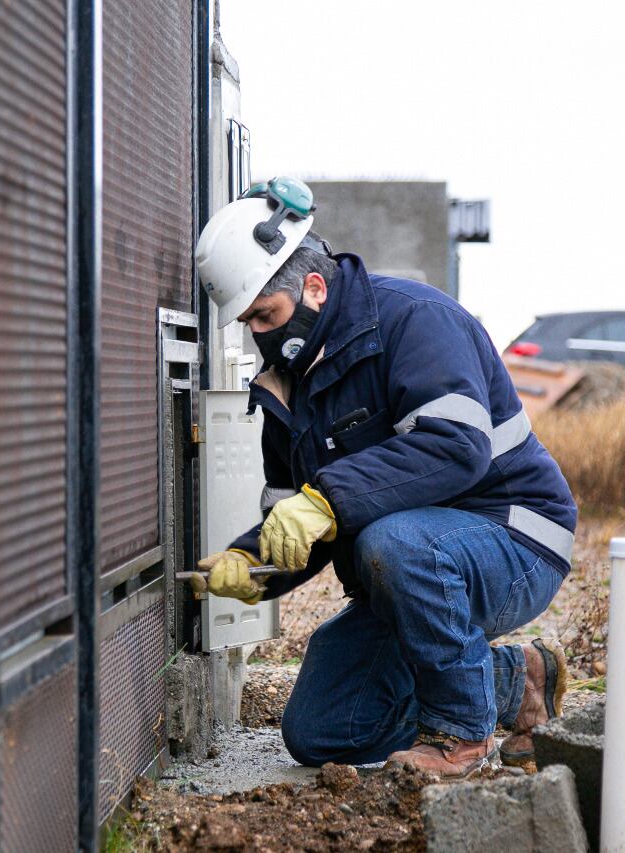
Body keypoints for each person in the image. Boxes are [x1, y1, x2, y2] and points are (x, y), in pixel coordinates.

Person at [191, 178, 577, 777]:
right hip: (409, 570)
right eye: (248, 322)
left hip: (514, 537)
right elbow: (302, 523)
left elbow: (456, 448)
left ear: (314, 287)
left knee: (391, 541)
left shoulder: (415, 320)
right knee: (323, 731)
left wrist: (327, 500)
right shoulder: (282, 391)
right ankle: (516, 681)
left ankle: (460, 736)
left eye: (266, 315)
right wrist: (253, 565)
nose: (260, 336)